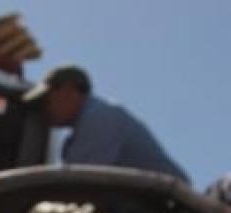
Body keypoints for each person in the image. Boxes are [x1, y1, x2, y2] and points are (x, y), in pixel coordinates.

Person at [23, 64, 189, 182]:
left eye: (46, 101)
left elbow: (75, 188)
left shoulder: (99, 116)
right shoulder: (83, 128)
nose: (43, 110)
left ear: (68, 91)